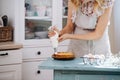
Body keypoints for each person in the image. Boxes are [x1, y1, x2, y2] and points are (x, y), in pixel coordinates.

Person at [48, 0, 114, 58]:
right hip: (78, 45)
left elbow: (98, 34)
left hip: (99, 46)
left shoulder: (106, 2)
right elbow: (70, 26)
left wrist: (69, 36)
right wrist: (59, 33)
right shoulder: (73, 1)